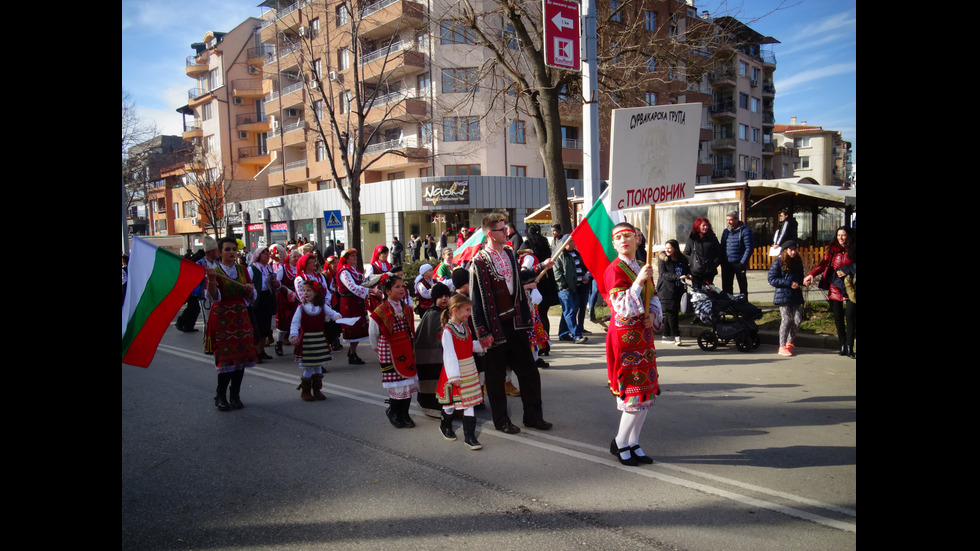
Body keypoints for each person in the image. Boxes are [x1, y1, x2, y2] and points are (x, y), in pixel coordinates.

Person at [469, 213, 554, 434]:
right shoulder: (478, 262)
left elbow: (519, 277)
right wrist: (482, 331)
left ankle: (533, 416)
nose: (506, 232)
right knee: (496, 379)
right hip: (495, 326)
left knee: (529, 372)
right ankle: (501, 420)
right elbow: (476, 300)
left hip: (517, 323)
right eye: (501, 229)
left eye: (505, 228)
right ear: (490, 234)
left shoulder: (508, 252)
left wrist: (540, 267)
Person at [603, 222, 662, 466]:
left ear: (638, 239)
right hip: (625, 339)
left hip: (643, 337)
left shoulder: (640, 266)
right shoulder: (614, 270)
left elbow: (654, 298)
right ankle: (620, 442)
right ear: (614, 243)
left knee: (646, 393)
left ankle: (634, 441)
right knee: (633, 397)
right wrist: (638, 281)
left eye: (628, 235)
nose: (624, 240)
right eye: (618, 237)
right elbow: (621, 307)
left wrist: (653, 316)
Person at [205, 236, 258, 411]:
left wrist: (250, 291)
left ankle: (235, 395)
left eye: (234, 249)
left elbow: (250, 299)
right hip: (222, 319)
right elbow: (213, 297)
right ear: (220, 252)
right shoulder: (215, 270)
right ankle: (220, 396)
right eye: (227, 249)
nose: (231, 253)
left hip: (241, 318)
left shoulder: (243, 270)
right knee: (226, 360)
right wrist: (212, 279)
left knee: (240, 360)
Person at [369, 274, 419, 428]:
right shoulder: (381, 311)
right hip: (389, 348)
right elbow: (373, 332)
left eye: (402, 286)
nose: (401, 289)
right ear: (388, 291)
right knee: (396, 384)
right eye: (397, 287)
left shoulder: (406, 308)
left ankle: (405, 414)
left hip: (404, 346)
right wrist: (376, 347)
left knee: (407, 383)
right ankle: (394, 412)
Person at [437, 293, 485, 450]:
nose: (469, 314)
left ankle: (469, 437)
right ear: (455, 310)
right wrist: (454, 376)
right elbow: (449, 355)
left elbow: (469, 346)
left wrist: (484, 344)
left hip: (469, 369)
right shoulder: (447, 331)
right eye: (467, 310)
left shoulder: (465, 327)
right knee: (451, 404)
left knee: (469, 403)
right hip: (455, 371)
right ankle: (445, 426)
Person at [804, 226, 856, 358]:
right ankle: (842, 345)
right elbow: (823, 264)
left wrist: (847, 271)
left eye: (843, 235)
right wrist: (811, 274)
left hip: (850, 287)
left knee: (850, 316)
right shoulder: (833, 250)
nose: (841, 238)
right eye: (839, 235)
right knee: (838, 318)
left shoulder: (854, 249)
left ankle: (850, 346)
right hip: (835, 286)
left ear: (848, 236)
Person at [289, 279, 343, 401]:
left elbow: (332, 313)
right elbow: (295, 323)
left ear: (316, 292)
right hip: (307, 340)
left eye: (308, 290)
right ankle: (306, 391)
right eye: (303, 290)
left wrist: (337, 316)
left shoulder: (322, 307)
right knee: (309, 367)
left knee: (318, 366)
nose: (305, 293)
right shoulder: (301, 308)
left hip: (319, 339)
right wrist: (293, 335)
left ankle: (317, 390)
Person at [336, 248, 383, 364]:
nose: (355, 258)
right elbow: (352, 287)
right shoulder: (344, 271)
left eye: (355, 256)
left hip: (357, 301)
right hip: (349, 302)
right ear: (346, 259)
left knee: (359, 327)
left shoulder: (354, 270)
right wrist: (371, 291)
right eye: (352, 256)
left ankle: (353, 351)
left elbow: (364, 281)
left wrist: (381, 278)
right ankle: (352, 353)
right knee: (353, 327)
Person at [414, 282, 453, 419]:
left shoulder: (450, 313)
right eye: (441, 296)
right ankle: (432, 408)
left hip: (445, 356)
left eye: (446, 296)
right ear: (434, 298)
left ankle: (448, 406)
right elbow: (425, 338)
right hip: (433, 356)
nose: (444, 299)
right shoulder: (431, 315)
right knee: (433, 382)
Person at [523, 224, 558, 356]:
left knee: (536, 316)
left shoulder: (527, 244)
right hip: (547, 282)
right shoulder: (545, 243)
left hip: (535, 282)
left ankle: (540, 345)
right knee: (544, 315)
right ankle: (545, 345)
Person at [767, 240, 805, 356]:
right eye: (790, 250)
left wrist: (803, 282)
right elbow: (772, 279)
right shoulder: (778, 262)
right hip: (783, 295)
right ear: (785, 250)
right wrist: (789, 283)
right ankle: (782, 346)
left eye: (795, 250)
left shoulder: (798, 261)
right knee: (786, 319)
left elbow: (800, 277)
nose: (793, 252)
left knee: (798, 319)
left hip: (795, 295)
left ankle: (790, 342)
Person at [554, 239, 590, 344]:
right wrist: (564, 285)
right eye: (570, 242)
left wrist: (584, 276)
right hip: (565, 289)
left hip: (577, 287)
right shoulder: (560, 255)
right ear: (564, 244)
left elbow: (581, 268)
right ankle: (576, 335)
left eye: (573, 242)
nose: (573, 244)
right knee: (570, 311)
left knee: (569, 311)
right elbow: (557, 272)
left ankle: (563, 333)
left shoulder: (576, 254)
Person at [656, 239, 692, 345]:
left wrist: (688, 275)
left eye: (670, 247)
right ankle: (677, 335)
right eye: (666, 247)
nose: (667, 249)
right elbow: (663, 274)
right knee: (672, 313)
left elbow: (686, 270)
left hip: (678, 289)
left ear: (675, 248)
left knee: (672, 312)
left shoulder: (682, 259)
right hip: (666, 289)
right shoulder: (663, 259)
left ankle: (665, 335)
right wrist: (678, 277)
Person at [248, 246, 278, 362]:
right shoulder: (253, 269)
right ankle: (256, 352)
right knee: (258, 327)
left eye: (267, 253)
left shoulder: (269, 268)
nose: (267, 255)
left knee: (266, 326)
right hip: (257, 299)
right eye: (264, 253)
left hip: (267, 297)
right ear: (258, 255)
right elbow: (248, 282)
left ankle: (261, 351)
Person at [273, 248, 301, 356]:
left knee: (297, 320)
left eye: (298, 257)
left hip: (297, 297)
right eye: (294, 257)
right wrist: (286, 290)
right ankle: (279, 343)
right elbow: (277, 283)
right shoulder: (283, 268)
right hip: (284, 298)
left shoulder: (300, 269)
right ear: (289, 258)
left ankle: (297, 345)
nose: (296, 259)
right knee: (283, 321)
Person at [195, 236, 221, 354]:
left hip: (217, 295)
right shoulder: (200, 264)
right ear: (211, 251)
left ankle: (217, 341)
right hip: (205, 297)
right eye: (216, 250)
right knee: (207, 321)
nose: (218, 252)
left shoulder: (217, 263)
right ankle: (208, 343)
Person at [720, 211, 753, 297]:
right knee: (726, 287)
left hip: (739, 263)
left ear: (737, 219)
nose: (729, 222)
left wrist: (743, 262)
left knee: (742, 286)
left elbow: (749, 248)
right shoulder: (726, 232)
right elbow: (722, 246)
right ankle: (728, 305)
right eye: (727, 220)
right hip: (727, 263)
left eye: (731, 220)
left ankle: (744, 305)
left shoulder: (745, 231)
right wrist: (722, 261)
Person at [684, 217, 722, 290]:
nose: (706, 227)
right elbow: (686, 253)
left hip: (709, 270)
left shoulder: (712, 237)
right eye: (703, 225)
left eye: (707, 225)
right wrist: (692, 262)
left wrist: (714, 264)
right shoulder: (692, 238)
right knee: (697, 291)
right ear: (698, 226)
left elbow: (718, 252)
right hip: (696, 271)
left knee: (708, 290)